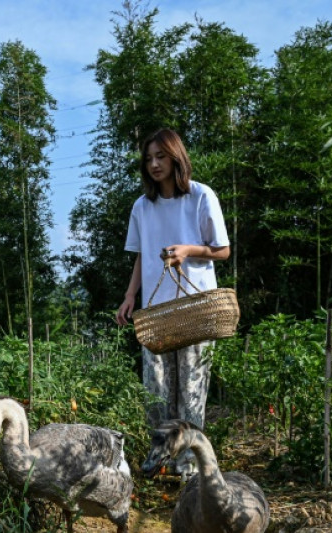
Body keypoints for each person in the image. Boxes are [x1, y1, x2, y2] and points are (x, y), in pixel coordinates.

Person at [115, 128, 230, 481]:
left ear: (176, 156)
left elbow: (222, 250)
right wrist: (130, 296)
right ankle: (161, 462)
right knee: (156, 393)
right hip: (156, 314)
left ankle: (191, 468)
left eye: (160, 157)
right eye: (148, 159)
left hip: (195, 310)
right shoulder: (142, 206)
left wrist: (187, 250)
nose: (154, 164)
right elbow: (140, 257)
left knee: (192, 393)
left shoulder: (200, 196)